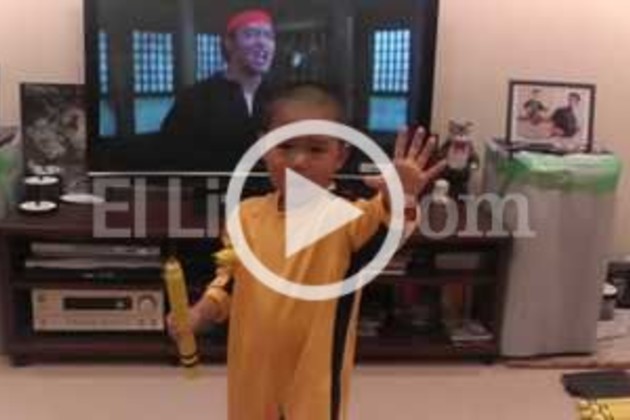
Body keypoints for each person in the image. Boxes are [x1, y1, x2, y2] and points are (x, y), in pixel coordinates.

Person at [167, 83, 446, 420]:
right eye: (285, 146)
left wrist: (399, 195)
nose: (298, 161)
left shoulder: (348, 220)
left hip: (312, 388)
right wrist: (199, 314)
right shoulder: (246, 215)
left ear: (340, 156)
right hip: (251, 379)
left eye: (316, 149)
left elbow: (388, 225)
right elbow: (229, 280)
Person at [159, 9, 276, 170]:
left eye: (269, 36)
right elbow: (170, 155)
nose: (262, 42)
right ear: (229, 43)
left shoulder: (281, 96)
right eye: (250, 34)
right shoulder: (196, 98)